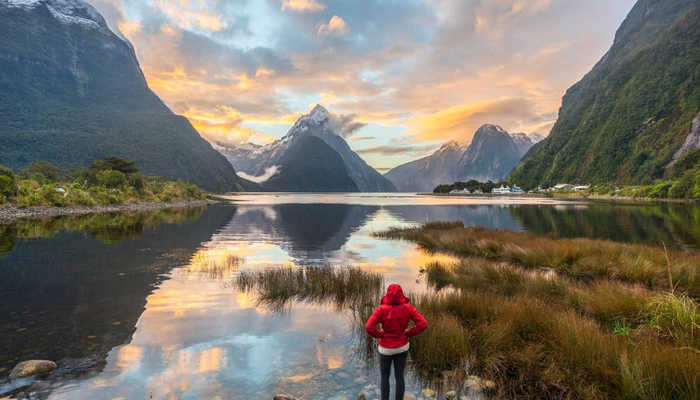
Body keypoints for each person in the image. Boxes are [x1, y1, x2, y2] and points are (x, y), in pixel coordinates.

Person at [365, 284, 427, 400]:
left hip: (385, 349)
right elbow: (423, 324)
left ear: (387, 294)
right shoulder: (408, 308)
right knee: (399, 377)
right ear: (401, 294)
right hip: (402, 347)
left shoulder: (381, 309)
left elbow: (368, 327)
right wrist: (408, 333)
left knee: (384, 377)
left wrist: (381, 335)